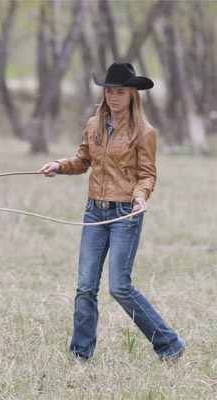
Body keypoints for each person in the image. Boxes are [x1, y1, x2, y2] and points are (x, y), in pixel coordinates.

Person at [39, 62, 185, 362]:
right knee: (85, 287)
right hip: (94, 211)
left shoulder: (144, 131)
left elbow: (147, 174)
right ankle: (80, 354)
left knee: (119, 286)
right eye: (109, 91)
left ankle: (169, 344)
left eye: (120, 92)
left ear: (132, 94)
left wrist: (140, 197)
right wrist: (59, 165)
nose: (113, 97)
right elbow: (83, 160)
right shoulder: (94, 124)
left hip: (125, 215)